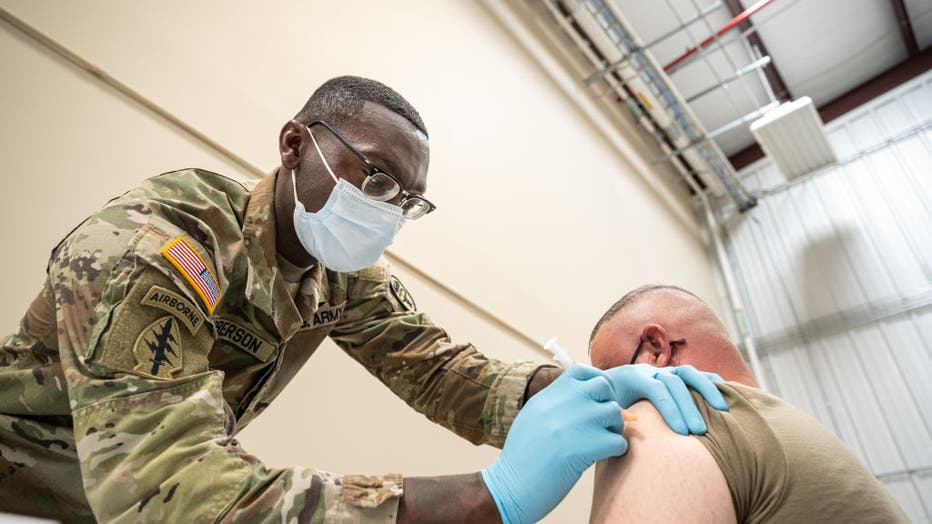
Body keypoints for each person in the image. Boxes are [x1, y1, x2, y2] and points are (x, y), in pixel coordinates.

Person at [0, 77, 726, 523]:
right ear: (293, 146)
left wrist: (577, 389)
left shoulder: (339, 273)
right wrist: (484, 498)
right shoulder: (162, 246)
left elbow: (440, 370)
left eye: (407, 200)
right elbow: (168, 489)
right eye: (374, 178)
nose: (385, 210)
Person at [587, 284, 910, 523]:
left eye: (608, 376)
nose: (611, 399)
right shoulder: (795, 429)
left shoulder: (666, 420)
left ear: (656, 349)